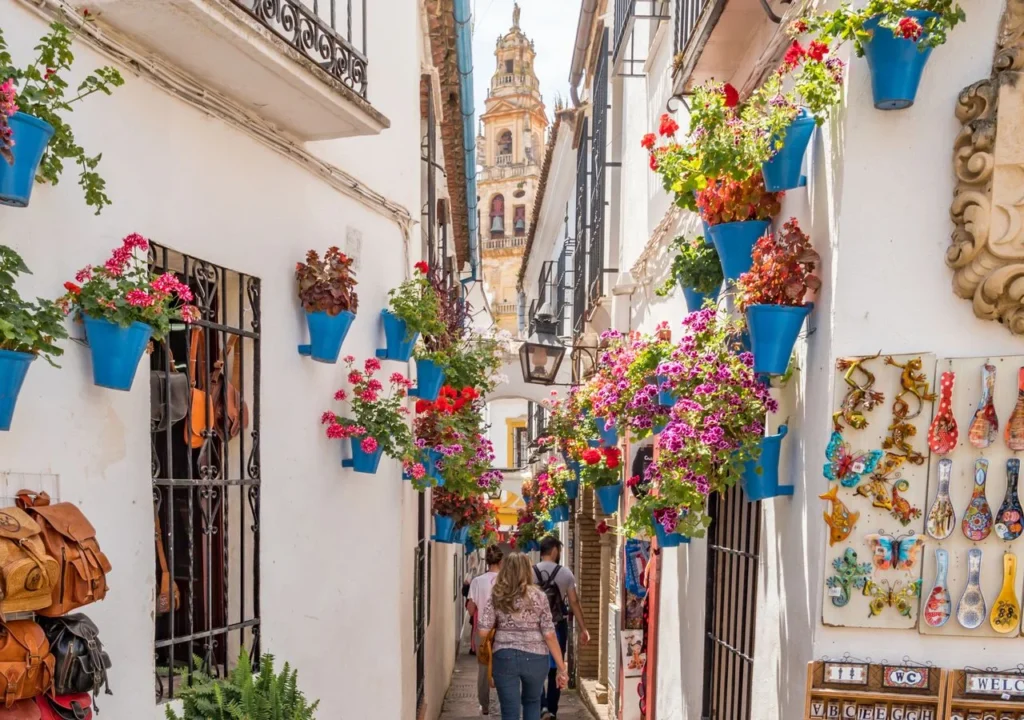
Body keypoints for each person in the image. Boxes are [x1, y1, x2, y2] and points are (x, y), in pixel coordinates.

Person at [478, 552, 568, 720]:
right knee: (532, 703)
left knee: (509, 710)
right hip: (536, 658)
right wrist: (561, 668)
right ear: (527, 570)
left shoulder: (497, 594)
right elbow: (549, 634)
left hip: (504, 657)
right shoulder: (539, 596)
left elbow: (483, 630)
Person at [534, 536, 590, 720]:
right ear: (555, 551)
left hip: (534, 629)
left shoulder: (529, 572)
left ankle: (541, 707)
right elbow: (574, 602)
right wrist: (584, 628)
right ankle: (552, 710)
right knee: (556, 668)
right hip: (557, 627)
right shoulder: (565, 574)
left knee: (535, 669)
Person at [466, 545, 504, 715]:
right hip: (504, 632)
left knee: (483, 669)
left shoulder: (477, 581)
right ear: (501, 561)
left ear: (487, 561)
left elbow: (471, 610)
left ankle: (485, 705)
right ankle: (506, 703)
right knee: (505, 667)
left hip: (483, 632)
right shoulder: (507, 581)